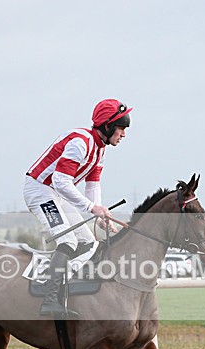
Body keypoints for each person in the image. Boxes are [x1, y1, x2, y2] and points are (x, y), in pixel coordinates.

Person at [23, 99, 132, 318]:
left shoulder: (99, 149)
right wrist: (92, 208)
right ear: (108, 126)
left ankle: (62, 283)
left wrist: (99, 215)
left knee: (88, 243)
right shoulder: (80, 144)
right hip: (40, 192)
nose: (123, 134)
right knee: (68, 241)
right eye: (121, 128)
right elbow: (62, 181)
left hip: (56, 194)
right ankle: (49, 299)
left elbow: (93, 184)